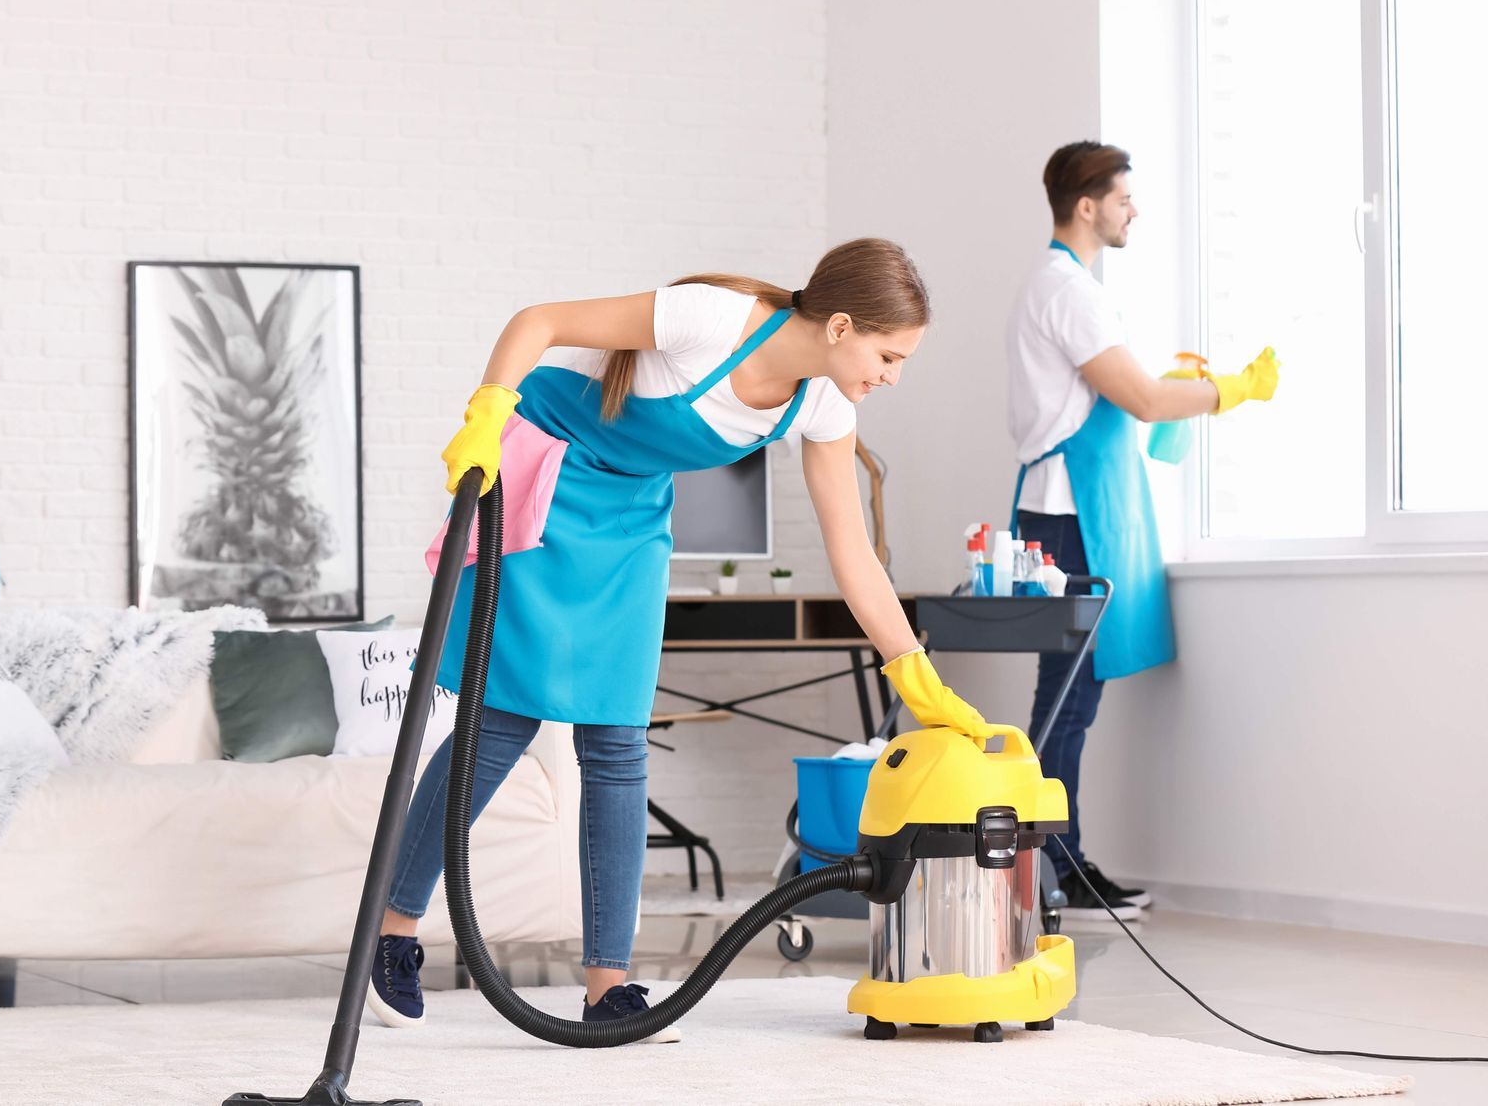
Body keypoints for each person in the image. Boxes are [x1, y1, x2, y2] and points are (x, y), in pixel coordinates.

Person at [367, 239, 989, 1040]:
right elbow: (541, 321)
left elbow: (851, 549)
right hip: (548, 474)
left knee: (618, 742)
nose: (891, 376)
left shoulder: (825, 406)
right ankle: (394, 934)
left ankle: (608, 989)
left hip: (630, 517)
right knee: (500, 726)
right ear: (840, 325)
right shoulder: (714, 320)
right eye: (888, 355)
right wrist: (488, 410)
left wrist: (910, 665)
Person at [1006, 142, 1279, 920]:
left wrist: (1185, 385)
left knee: (1071, 695)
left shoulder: (1067, 287)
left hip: (1073, 509)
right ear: (1087, 205)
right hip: (1069, 513)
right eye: (1125, 198)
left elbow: (1135, 394)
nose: (1135, 210)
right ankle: (1053, 865)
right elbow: (1146, 402)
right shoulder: (1068, 292)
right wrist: (1231, 391)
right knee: (1067, 696)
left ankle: (1054, 860)